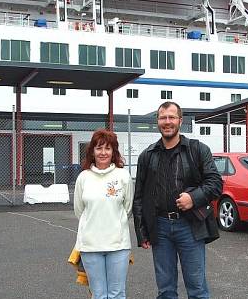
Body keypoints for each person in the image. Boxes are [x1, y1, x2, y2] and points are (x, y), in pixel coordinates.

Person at [133, 101, 222, 299]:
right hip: (160, 228)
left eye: (171, 117)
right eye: (163, 117)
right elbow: (139, 196)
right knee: (165, 290)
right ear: (157, 121)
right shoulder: (147, 156)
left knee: (197, 288)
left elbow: (215, 183)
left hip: (189, 226)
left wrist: (194, 197)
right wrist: (142, 232)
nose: (167, 122)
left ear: (180, 121)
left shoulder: (197, 149)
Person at [74, 129, 134, 299]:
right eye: (99, 148)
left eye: (108, 148)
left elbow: (127, 208)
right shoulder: (83, 177)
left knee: (117, 294)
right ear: (92, 151)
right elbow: (79, 211)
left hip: (118, 246)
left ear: (114, 151)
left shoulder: (123, 176)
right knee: (98, 294)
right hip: (90, 247)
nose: (103, 153)